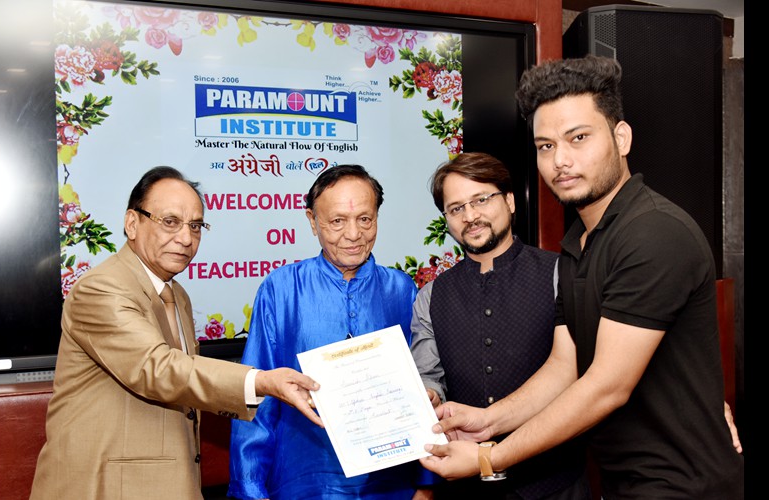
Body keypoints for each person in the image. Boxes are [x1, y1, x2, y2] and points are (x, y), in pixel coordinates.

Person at [419, 55, 745, 498]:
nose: (561, 160)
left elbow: (605, 386)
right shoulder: (579, 244)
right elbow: (565, 365)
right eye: (545, 146)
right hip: (624, 480)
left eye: (578, 138)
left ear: (621, 137)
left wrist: (488, 458)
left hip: (686, 484)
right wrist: (488, 422)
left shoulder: (653, 232)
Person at [30, 166, 323, 500]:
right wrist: (261, 381)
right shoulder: (101, 289)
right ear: (132, 223)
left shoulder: (175, 294)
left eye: (195, 226)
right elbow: (157, 368)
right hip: (105, 487)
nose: (186, 238)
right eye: (170, 222)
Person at [228, 164, 438, 499]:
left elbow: (421, 395)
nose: (354, 234)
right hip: (303, 483)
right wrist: (250, 490)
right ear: (312, 221)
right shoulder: (281, 290)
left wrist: (426, 487)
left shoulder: (401, 289)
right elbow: (256, 399)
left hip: (392, 485)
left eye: (365, 219)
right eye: (337, 221)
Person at [411, 152, 591, 500]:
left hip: (555, 482)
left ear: (509, 201)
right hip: (467, 487)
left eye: (481, 200)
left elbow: (587, 371)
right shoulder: (431, 296)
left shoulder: (561, 274)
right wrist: (428, 395)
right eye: (456, 208)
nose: (470, 216)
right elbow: (429, 376)